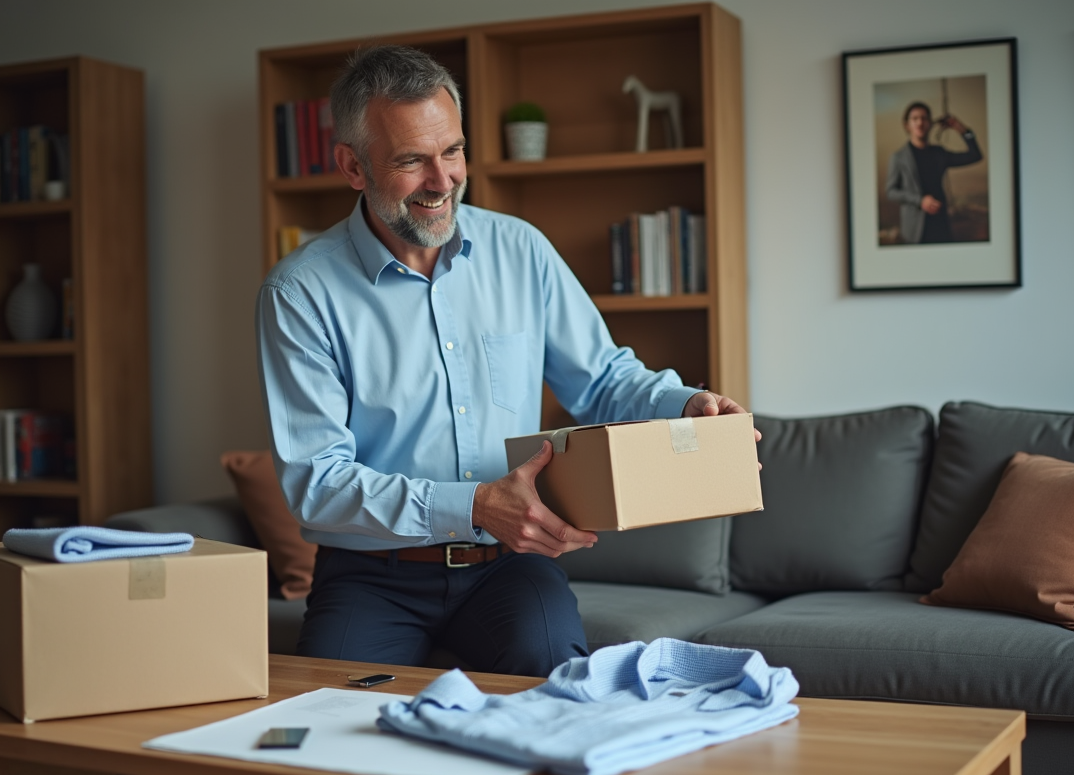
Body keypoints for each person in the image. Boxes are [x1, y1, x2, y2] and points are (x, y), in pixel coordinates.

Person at [255, 45, 757, 677]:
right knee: (329, 728)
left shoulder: (522, 249)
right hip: (370, 575)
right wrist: (473, 505)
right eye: (412, 160)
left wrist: (686, 406)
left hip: (510, 568)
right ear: (353, 166)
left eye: (453, 151)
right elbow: (317, 485)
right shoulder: (299, 293)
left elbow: (602, 377)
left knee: (557, 697)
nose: (442, 181)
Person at [885, 101, 982, 244]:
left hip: (940, 222)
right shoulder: (899, 157)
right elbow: (891, 191)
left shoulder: (939, 153)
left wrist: (959, 127)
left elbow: (975, 155)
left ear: (930, 123)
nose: (920, 123)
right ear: (907, 125)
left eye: (924, 118)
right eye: (915, 118)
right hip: (915, 228)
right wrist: (920, 200)